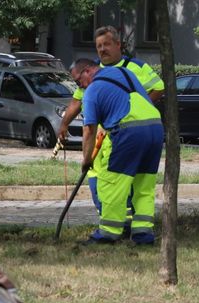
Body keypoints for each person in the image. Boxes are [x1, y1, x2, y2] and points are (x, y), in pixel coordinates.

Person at [57, 26, 164, 232]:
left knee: (115, 183)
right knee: (127, 183)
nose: (102, 49)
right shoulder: (94, 75)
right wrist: (64, 124)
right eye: (98, 46)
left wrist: (134, 113)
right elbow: (77, 102)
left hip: (124, 134)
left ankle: (111, 230)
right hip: (117, 137)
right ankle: (140, 231)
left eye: (106, 44)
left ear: (118, 44)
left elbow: (157, 88)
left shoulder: (132, 68)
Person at [71, 58, 163, 245]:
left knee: (111, 182)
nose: (80, 87)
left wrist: (86, 160)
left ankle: (108, 233)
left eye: (78, 82)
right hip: (155, 128)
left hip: (129, 131)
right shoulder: (124, 73)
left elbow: (89, 130)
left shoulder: (92, 91)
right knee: (143, 185)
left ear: (87, 71)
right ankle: (143, 234)